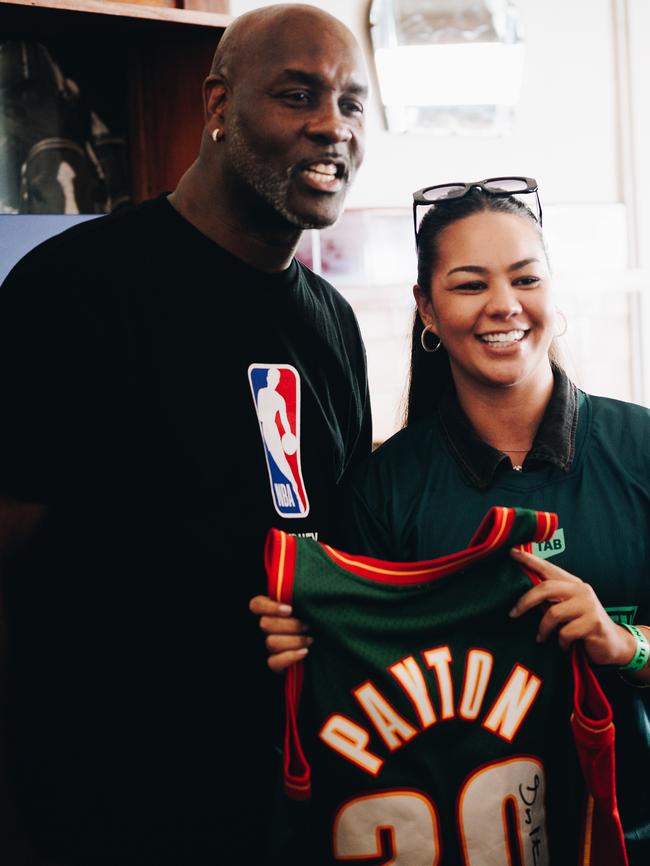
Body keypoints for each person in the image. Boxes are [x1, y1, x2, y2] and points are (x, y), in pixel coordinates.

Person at [0, 5, 371, 864]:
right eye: (297, 94)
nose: (331, 125)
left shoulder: (334, 325)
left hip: (287, 795)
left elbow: (337, 553)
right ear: (216, 104)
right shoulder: (75, 289)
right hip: (105, 803)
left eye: (352, 103)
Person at [253, 179, 650, 865]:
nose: (504, 305)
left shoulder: (639, 447)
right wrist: (304, 634)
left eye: (526, 278)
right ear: (426, 310)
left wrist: (627, 645)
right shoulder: (383, 491)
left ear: (553, 291)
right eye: (469, 285)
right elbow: (359, 689)